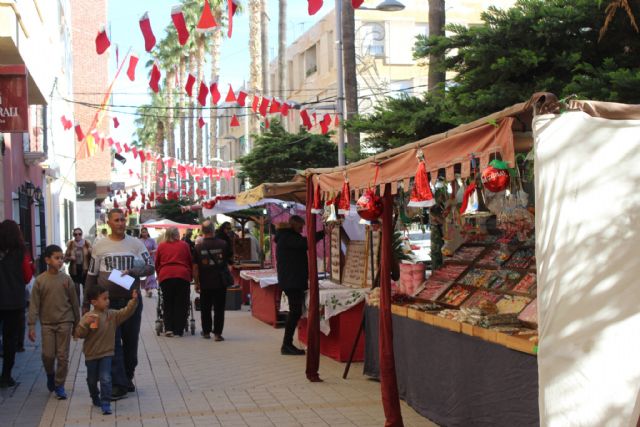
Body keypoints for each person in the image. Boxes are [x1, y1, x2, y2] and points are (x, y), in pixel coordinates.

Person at [84, 208, 153, 400]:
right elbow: (91, 276)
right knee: (113, 345)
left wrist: (134, 271)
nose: (121, 223)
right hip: (109, 304)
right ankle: (118, 384)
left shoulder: (136, 244)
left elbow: (151, 266)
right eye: (117, 220)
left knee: (130, 344)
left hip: (131, 302)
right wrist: (86, 304)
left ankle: (128, 377)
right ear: (109, 223)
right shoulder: (99, 246)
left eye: (123, 219)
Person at [76, 285, 138, 415]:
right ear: (94, 302)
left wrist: (133, 301)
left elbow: (125, 312)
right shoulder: (88, 316)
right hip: (91, 355)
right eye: (104, 298)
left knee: (106, 378)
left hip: (107, 354)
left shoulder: (112, 315)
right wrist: (85, 323)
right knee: (92, 380)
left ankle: (105, 402)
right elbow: (79, 334)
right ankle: (94, 396)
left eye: (108, 298)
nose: (108, 301)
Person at [28, 245, 80, 399]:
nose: (60, 261)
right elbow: (34, 304)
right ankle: (50, 374)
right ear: (47, 260)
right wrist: (31, 325)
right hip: (47, 324)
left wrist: (77, 323)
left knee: (63, 356)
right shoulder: (40, 281)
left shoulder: (66, 280)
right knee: (48, 355)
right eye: (57, 258)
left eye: (61, 258)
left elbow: (74, 302)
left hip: (65, 321)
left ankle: (59, 385)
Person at [275, 215, 324, 356]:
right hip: (292, 281)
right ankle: (286, 344)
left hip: (292, 280)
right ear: (293, 224)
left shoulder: (286, 236)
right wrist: (322, 233)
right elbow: (306, 243)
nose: (302, 229)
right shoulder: (287, 237)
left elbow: (304, 242)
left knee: (295, 311)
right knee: (295, 312)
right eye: (300, 226)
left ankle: (287, 343)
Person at [0, 220, 35, 387]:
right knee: (10, 340)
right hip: (14, 301)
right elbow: (28, 276)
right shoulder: (21, 252)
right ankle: (6, 376)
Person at [193, 221, 233, 341]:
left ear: (202, 231)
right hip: (220, 281)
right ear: (213, 230)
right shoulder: (223, 244)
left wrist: (196, 282)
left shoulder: (198, 247)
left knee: (205, 308)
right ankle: (217, 334)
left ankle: (206, 332)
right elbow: (230, 261)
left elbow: (195, 267)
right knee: (219, 309)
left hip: (205, 282)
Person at [155, 227, 192, 337]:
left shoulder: (161, 246)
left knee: (167, 303)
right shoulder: (184, 245)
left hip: (166, 276)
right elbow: (190, 260)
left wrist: (159, 274)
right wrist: (190, 275)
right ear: (177, 234)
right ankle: (178, 330)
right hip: (182, 275)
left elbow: (157, 263)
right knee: (181, 303)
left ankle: (169, 329)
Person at [65, 227, 92, 303]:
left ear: (82, 234)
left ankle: (85, 304)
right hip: (74, 269)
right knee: (76, 288)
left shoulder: (87, 243)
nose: (77, 236)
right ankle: (77, 305)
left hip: (85, 269)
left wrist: (90, 251)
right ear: (73, 235)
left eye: (79, 234)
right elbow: (65, 259)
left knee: (85, 288)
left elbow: (93, 256)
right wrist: (70, 258)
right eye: (75, 234)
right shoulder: (70, 244)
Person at [138, 227, 158, 298]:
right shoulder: (139, 241)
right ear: (141, 233)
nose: (144, 233)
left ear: (147, 232)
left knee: (150, 275)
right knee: (144, 275)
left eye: (145, 232)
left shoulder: (152, 240)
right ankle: (146, 289)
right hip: (142, 260)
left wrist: (151, 251)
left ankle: (149, 289)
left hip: (150, 259)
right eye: (142, 232)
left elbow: (156, 248)